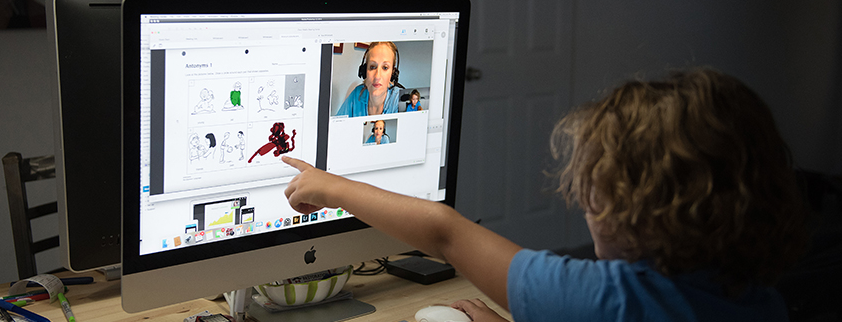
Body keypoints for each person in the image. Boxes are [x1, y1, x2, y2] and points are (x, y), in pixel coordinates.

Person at [283, 68, 808, 321]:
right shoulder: (762, 302)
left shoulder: (609, 299)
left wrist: (331, 186)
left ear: (642, 214)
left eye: (597, 188)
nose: (582, 202)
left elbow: (444, 232)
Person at [336, 42, 402, 117]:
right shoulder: (357, 94)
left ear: (393, 74)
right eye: (372, 67)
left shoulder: (399, 101)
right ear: (364, 71)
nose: (377, 76)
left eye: (385, 67)